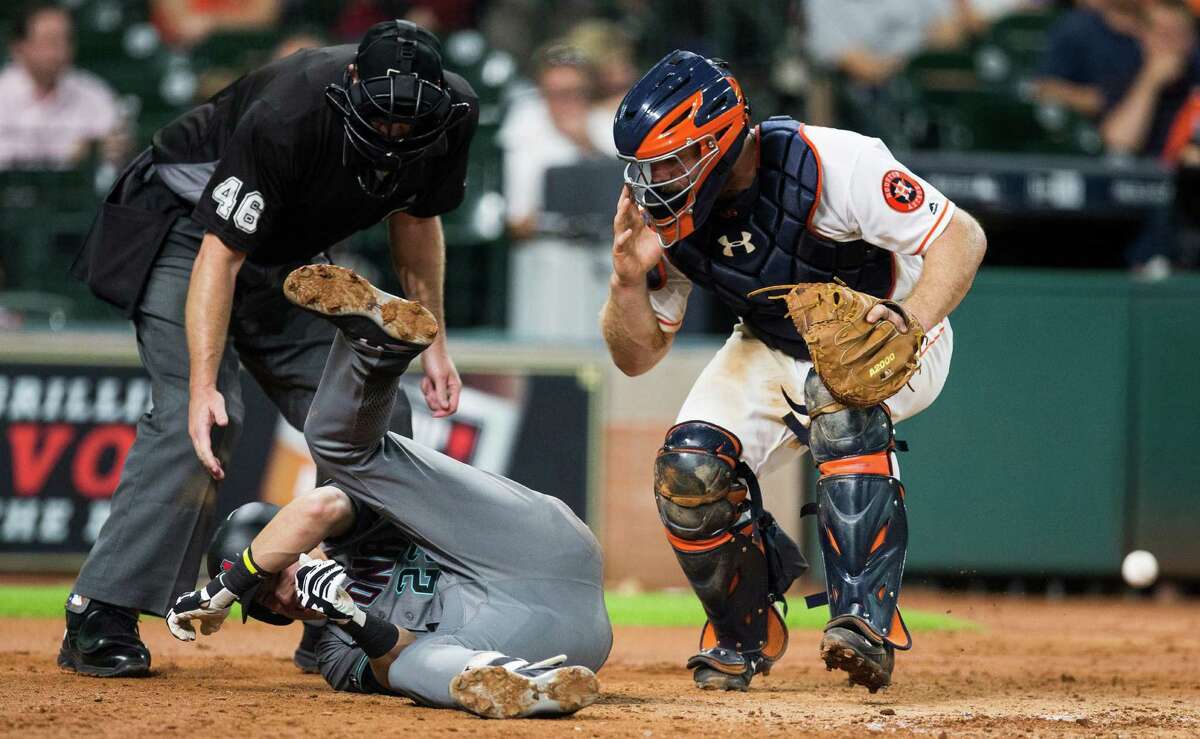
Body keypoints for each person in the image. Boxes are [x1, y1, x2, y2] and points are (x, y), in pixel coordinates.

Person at [60, 20, 478, 679]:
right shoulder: (289, 111)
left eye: (411, 125)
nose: (396, 137)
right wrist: (202, 385)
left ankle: (340, 611)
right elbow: (220, 256)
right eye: (383, 121)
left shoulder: (455, 114)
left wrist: (437, 344)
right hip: (185, 229)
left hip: (284, 252)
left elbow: (417, 220)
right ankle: (99, 611)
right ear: (350, 87)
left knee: (378, 415)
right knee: (204, 417)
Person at [601, 51, 987, 692]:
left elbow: (962, 237)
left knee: (840, 394)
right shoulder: (662, 220)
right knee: (688, 471)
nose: (654, 181)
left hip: (893, 331)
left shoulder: (837, 163)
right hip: (770, 340)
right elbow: (636, 357)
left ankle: (864, 619)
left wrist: (909, 320)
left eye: (670, 161)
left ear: (719, 140)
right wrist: (625, 281)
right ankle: (743, 634)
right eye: (645, 167)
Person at [165, 264, 611, 718]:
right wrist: (351, 618)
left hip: (533, 548)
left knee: (335, 447)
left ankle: (375, 348)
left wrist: (227, 587)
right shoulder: (335, 653)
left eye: (272, 579)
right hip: (550, 640)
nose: (280, 598)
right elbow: (394, 661)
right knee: (413, 669)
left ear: (295, 547)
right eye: (263, 604)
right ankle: (520, 684)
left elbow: (318, 508)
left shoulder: (344, 531)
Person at [1035, 0, 1200, 156]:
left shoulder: (1194, 69)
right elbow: (1119, 145)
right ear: (1143, 36)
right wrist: (1150, 82)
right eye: (1162, 34)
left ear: (1192, 39)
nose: (1168, 44)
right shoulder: (1128, 71)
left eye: (1178, 34)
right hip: (1136, 174)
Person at [498, 43, 615, 240]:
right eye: (558, 94)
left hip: (605, 243)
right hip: (546, 245)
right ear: (543, 93)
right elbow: (518, 220)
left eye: (576, 92)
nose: (568, 102)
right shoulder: (526, 122)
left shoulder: (605, 123)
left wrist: (584, 142)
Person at [0, 1, 128, 170]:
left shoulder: (94, 94)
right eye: (49, 41)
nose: (60, 50)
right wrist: (69, 156)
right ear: (18, 47)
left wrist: (99, 151)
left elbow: (114, 155)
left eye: (65, 40)